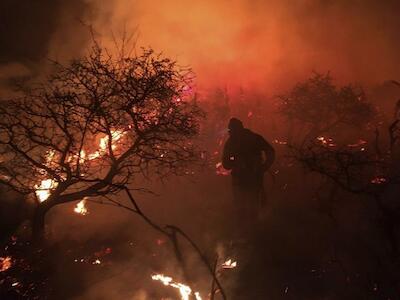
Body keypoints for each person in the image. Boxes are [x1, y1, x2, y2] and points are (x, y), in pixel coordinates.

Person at [222, 118, 275, 225]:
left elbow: (226, 164)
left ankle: (246, 231)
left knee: (241, 208)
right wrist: (264, 166)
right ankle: (252, 231)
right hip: (253, 178)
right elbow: (270, 151)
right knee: (252, 206)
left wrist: (236, 163)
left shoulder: (232, 142)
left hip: (241, 180)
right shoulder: (255, 138)